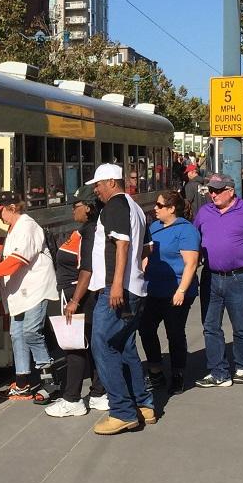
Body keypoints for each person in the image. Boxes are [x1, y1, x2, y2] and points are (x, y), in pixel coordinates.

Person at [83, 164, 156, 435]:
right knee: (125, 346)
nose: (96, 190)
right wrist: (135, 274)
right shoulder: (135, 207)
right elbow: (147, 248)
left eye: (98, 185)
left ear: (112, 183)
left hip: (116, 290)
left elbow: (122, 245)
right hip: (134, 287)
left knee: (102, 344)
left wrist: (116, 285)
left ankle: (122, 412)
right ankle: (144, 405)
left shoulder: (114, 206)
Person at [193, 173, 243, 387]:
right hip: (210, 276)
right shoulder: (205, 211)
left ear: (230, 191)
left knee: (241, 324)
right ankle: (218, 372)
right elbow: (194, 237)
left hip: (239, 277)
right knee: (210, 326)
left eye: (218, 191)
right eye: (211, 190)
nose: (213, 194)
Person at [0, 191, 58, 401]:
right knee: (17, 334)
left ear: (12, 208)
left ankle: (50, 380)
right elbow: (17, 249)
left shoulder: (27, 226)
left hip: (35, 289)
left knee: (31, 331)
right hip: (21, 291)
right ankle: (22, 383)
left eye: (0, 211)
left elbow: (17, 260)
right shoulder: (14, 228)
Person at [46, 187, 108, 417]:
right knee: (88, 345)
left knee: (74, 348)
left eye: (76, 206)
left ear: (89, 208)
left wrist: (74, 300)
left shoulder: (91, 232)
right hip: (77, 293)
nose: (72, 210)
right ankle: (98, 393)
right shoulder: (86, 230)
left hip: (79, 295)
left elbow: (87, 270)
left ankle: (72, 399)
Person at [139, 190, 200, 395]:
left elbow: (191, 264)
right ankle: (155, 372)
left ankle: (178, 375)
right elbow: (147, 254)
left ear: (172, 209)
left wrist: (181, 290)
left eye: (159, 205)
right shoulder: (154, 227)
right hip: (153, 288)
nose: (155, 208)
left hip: (176, 290)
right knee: (146, 328)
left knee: (174, 332)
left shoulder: (186, 230)